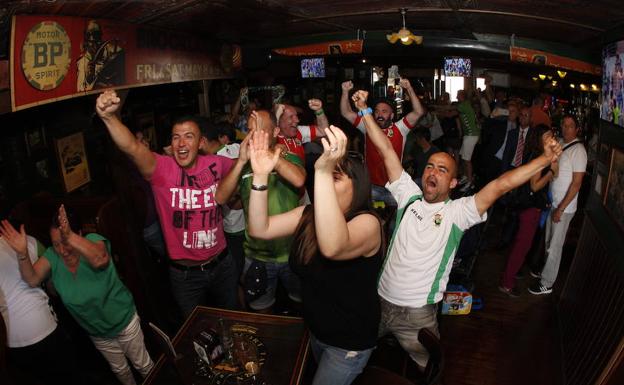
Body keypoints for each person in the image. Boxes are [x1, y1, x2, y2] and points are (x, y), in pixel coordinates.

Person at [351, 89, 562, 368]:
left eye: (442, 170)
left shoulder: (458, 212)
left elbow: (501, 184)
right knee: (352, 354)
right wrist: (365, 110)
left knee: (431, 369)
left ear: (452, 183)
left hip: (418, 315)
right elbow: (386, 149)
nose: (432, 172)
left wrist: (545, 160)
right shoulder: (407, 195)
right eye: (430, 167)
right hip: (378, 301)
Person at [246, 126, 383, 385]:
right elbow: (258, 228)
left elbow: (332, 246)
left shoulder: (368, 224)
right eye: (325, 176)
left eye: (336, 177)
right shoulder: (308, 214)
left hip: (348, 343)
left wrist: (321, 170)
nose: (326, 184)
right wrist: (261, 176)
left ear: (358, 186)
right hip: (316, 331)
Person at [96, 90, 238, 316]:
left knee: (232, 318)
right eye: (175, 137)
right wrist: (109, 118)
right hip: (185, 275)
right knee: (195, 333)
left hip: (223, 265)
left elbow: (238, 174)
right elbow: (132, 147)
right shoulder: (161, 169)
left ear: (201, 142)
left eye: (189, 136)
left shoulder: (218, 163)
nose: (181, 143)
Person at [0, 206, 153, 385]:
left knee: (143, 366)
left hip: (123, 323)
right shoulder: (52, 256)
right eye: (56, 244)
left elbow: (100, 259)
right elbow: (32, 279)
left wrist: (69, 237)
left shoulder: (93, 241)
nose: (62, 250)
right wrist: (22, 254)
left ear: (78, 233)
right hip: (97, 332)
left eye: (65, 243)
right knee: (120, 371)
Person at [217, 110, 306, 313]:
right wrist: (240, 161)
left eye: (260, 131)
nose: (253, 137)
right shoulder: (243, 165)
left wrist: (269, 155)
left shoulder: (288, 156)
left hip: (292, 253)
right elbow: (221, 198)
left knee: (300, 306)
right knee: (261, 310)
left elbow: (299, 179)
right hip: (257, 256)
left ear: (275, 132)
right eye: (250, 131)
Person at [0, 218, 81, 385]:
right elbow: (52, 284)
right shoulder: (30, 241)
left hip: (12, 339)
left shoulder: (29, 242)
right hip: (45, 326)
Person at [340, 79, 424, 205]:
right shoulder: (367, 126)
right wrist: (345, 91)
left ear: (391, 115)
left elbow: (419, 112)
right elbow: (346, 112)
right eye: (377, 111)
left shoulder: (400, 128)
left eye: (384, 112)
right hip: (372, 187)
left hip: (394, 187)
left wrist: (409, 89)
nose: (379, 115)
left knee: (397, 222)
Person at [529, 115, 586, 295]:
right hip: (553, 202)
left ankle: (547, 282)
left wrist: (561, 208)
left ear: (577, 129)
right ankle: (545, 270)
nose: (566, 128)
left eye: (570, 126)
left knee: (555, 245)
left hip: (564, 207)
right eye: (564, 124)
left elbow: (576, 184)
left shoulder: (579, 151)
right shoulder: (560, 142)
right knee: (548, 241)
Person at [499, 125, 556, 296]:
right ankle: (507, 284)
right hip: (530, 207)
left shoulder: (538, 154)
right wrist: (551, 172)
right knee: (522, 246)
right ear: (539, 139)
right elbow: (535, 185)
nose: (551, 139)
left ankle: (512, 273)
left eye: (551, 135)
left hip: (529, 206)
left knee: (521, 244)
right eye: (547, 136)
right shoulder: (538, 157)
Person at [77, 20, 125, 91]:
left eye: (95, 34)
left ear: (100, 35)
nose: (92, 38)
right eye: (89, 35)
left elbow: (119, 79)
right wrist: (90, 76)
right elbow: (80, 88)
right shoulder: (82, 61)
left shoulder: (112, 51)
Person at [456, 89, 480, 192]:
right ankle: (466, 177)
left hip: (471, 135)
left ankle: (470, 182)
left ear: (462, 96)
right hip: (468, 135)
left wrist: (437, 108)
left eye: (458, 95)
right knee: (463, 156)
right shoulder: (465, 104)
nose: (457, 97)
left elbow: (450, 111)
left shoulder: (464, 105)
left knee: (467, 159)